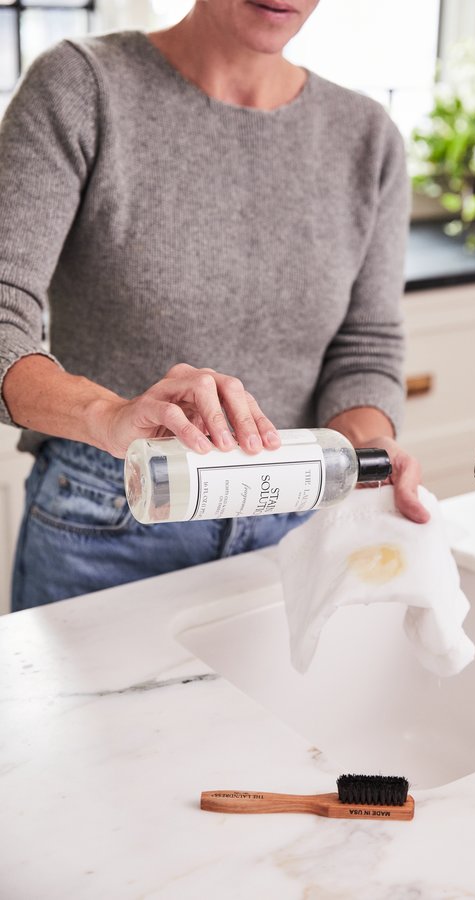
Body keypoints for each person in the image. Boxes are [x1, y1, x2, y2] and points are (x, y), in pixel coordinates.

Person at [0, 0, 429, 612]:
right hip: (108, 517)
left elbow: (367, 346)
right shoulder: (82, 87)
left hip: (294, 521)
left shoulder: (366, 136)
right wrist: (110, 415)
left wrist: (363, 454)